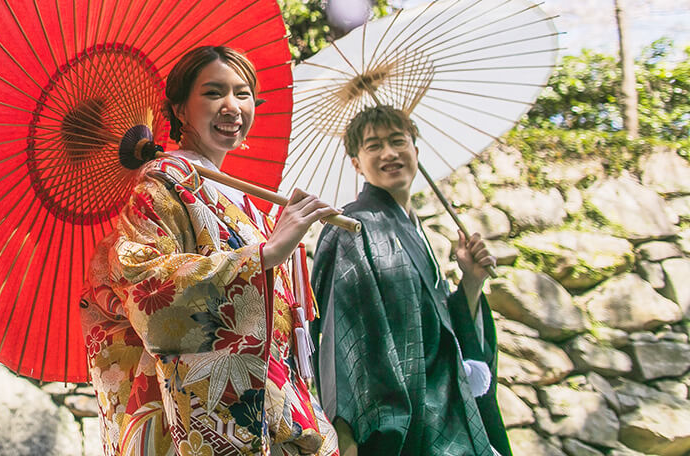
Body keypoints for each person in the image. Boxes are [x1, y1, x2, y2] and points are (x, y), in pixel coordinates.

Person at [81, 45, 341, 456]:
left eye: (243, 94)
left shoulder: (246, 203)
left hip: (280, 410)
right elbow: (148, 290)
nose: (232, 107)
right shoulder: (164, 184)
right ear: (180, 109)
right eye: (213, 93)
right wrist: (263, 255)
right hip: (211, 421)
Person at [309, 104, 511, 456]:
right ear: (357, 163)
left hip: (447, 415)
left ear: (416, 150)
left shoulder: (415, 232)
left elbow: (444, 334)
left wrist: (471, 284)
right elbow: (343, 343)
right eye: (373, 146)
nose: (389, 153)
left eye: (397, 140)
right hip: (398, 426)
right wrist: (347, 430)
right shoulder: (351, 228)